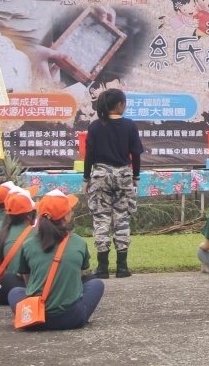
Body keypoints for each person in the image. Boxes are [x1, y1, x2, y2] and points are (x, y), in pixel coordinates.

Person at [8, 190, 104, 330]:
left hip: (34, 319)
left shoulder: (28, 244)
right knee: (95, 283)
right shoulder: (79, 243)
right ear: (66, 216)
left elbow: (27, 281)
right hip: (71, 318)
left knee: (15, 292)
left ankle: (28, 314)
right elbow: (80, 275)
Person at [83, 87, 143, 279]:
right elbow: (136, 154)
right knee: (122, 219)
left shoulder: (94, 126)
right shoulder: (130, 126)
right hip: (124, 175)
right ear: (119, 105)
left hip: (100, 175)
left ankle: (102, 267)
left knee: (101, 219)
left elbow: (89, 155)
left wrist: (87, 178)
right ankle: (122, 267)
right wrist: (136, 177)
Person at [0, 189, 37, 304]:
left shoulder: (2, 233)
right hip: (35, 286)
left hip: (9, 287)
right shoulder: (39, 233)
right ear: (29, 215)